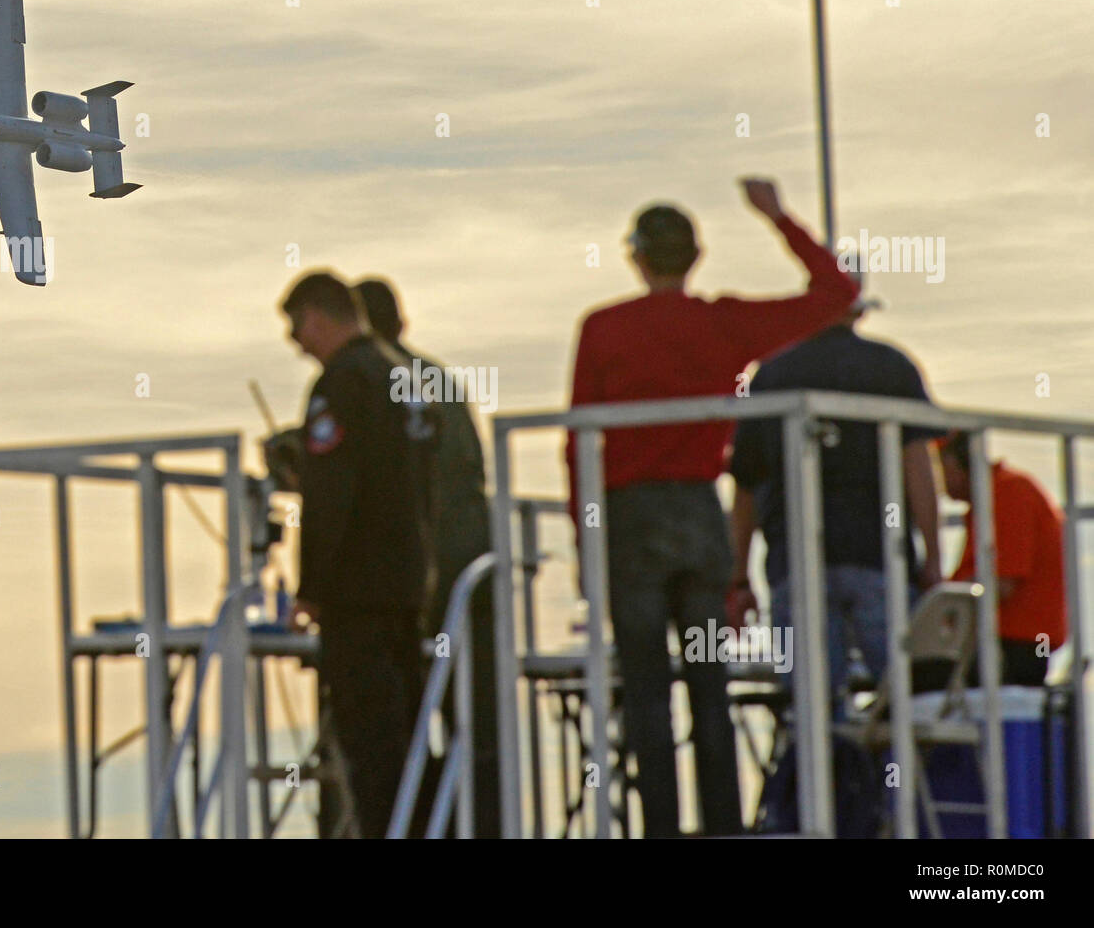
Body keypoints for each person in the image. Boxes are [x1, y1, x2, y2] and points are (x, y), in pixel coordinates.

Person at [565, 177, 859, 838]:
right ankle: (725, 825)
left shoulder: (604, 329)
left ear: (636, 257)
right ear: (694, 257)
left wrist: (585, 540)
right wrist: (779, 217)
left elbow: (577, 442)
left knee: (645, 692)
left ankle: (661, 829)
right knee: (708, 684)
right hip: (700, 520)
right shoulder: (721, 324)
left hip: (630, 523)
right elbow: (838, 294)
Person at [726, 289, 944, 716]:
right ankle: (904, 778)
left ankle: (826, 779)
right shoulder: (891, 367)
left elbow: (746, 487)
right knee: (908, 703)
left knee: (813, 710)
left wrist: (738, 577)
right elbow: (918, 469)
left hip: (796, 563)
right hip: (880, 556)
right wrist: (933, 560)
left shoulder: (771, 375)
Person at [278, 270, 439, 837]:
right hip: (407, 584)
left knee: (370, 747)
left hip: (357, 594)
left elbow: (331, 496)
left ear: (318, 317)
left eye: (297, 328)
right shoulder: (402, 377)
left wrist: (311, 591)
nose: (297, 343)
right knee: (410, 737)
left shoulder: (341, 384)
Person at [353, 277, 501, 838]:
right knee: (476, 724)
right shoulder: (434, 379)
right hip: (468, 568)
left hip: (421, 578)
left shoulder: (370, 381)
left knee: (394, 725)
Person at [936, 430, 1066, 686]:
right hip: (1003, 641)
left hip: (1011, 645)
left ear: (951, 461)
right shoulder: (997, 494)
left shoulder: (1008, 492)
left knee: (912, 681)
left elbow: (1001, 582)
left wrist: (934, 611)